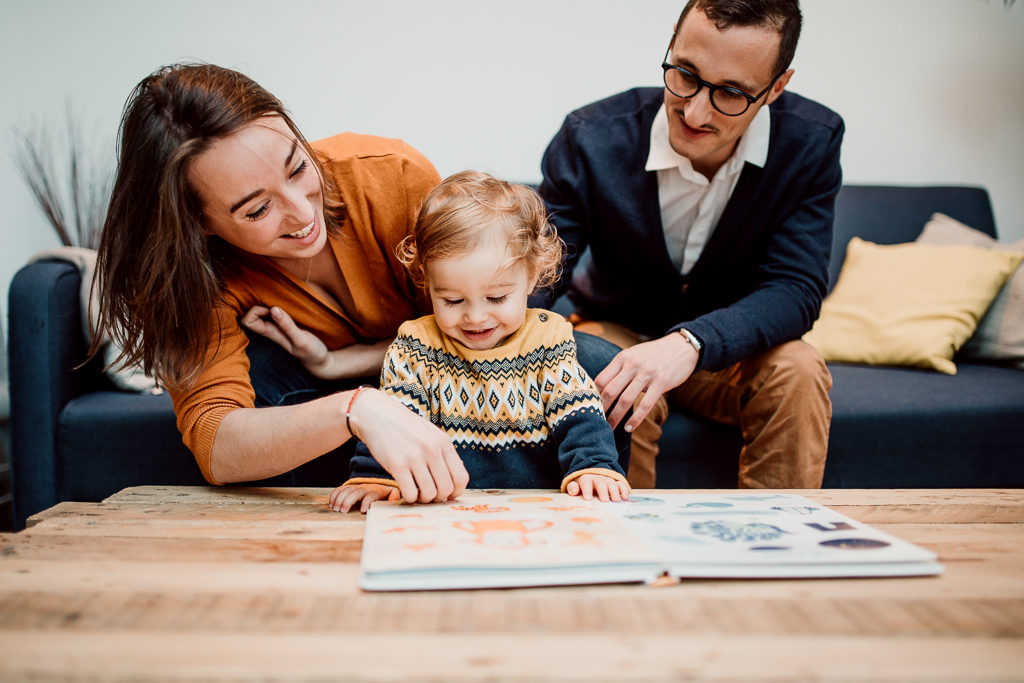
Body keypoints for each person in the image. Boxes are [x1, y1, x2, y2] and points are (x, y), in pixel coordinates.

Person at [92, 62, 474, 504]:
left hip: (449, 380)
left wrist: (342, 363)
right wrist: (355, 407)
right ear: (198, 223)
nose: (302, 213)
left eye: (297, 168)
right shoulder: (196, 277)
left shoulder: (395, 175)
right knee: (265, 365)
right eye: (257, 210)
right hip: (332, 418)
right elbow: (216, 444)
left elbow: (480, 330)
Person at [538, 0, 843, 489]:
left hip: (730, 351)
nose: (695, 111)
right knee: (607, 373)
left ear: (776, 88)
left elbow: (795, 288)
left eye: (731, 93)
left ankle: (775, 553)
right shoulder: (590, 137)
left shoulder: (812, 142)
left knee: (800, 370)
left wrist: (690, 344)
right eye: (684, 73)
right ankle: (622, 552)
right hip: (618, 329)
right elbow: (543, 268)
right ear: (673, 42)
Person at [328, 171, 631, 513]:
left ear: (531, 276)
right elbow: (396, 422)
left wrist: (594, 467)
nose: (475, 317)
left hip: (538, 512)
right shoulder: (415, 348)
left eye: (497, 298)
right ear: (427, 281)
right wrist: (374, 477)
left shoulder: (548, 341)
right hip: (443, 513)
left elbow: (580, 415)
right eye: (453, 301)